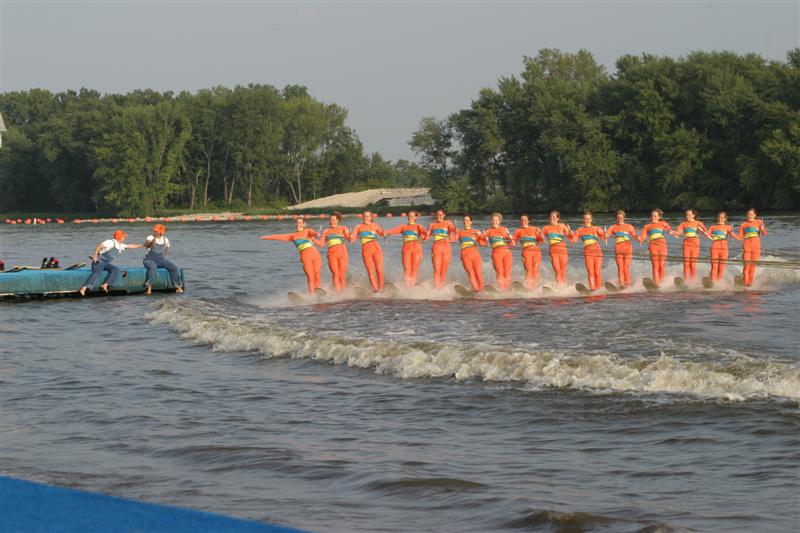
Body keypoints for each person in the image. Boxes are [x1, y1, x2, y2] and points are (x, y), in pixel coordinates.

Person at [260, 218, 322, 294]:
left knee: (317, 275)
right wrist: (266, 237)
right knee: (310, 276)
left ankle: (318, 291)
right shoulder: (293, 236)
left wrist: (316, 234)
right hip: (305, 257)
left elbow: (313, 233)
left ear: (303, 224)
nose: (298, 224)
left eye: (300, 223)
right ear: (295, 224)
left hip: (315, 255)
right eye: (297, 223)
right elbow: (278, 236)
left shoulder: (308, 230)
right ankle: (312, 294)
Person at [79, 229, 144, 296]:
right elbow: (99, 246)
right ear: (120, 237)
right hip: (98, 261)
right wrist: (95, 256)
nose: (124, 238)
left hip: (105, 263)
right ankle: (84, 288)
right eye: (123, 237)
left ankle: (105, 284)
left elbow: (130, 246)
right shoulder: (110, 242)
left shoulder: (120, 245)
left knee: (115, 269)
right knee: (97, 273)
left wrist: (142, 245)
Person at [385, 211, 428, 287]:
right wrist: (383, 232)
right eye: (409, 216)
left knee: (414, 269)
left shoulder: (418, 226)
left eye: (412, 216)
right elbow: (391, 231)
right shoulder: (403, 227)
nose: (410, 217)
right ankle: (407, 285)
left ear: (416, 217)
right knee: (407, 268)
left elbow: (427, 234)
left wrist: (424, 236)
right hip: (406, 249)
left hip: (417, 249)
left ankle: (413, 284)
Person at [349, 211, 386, 292]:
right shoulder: (358, 227)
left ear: (371, 217)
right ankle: (375, 289)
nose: (365, 218)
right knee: (370, 271)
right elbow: (353, 237)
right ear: (362, 217)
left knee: (379, 270)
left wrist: (384, 233)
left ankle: (381, 288)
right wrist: (351, 237)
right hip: (366, 250)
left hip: (376, 249)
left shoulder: (375, 225)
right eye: (364, 216)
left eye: (367, 216)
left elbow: (381, 234)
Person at [143, 224, 183, 295]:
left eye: (157, 231)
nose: (155, 232)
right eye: (155, 231)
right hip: (149, 259)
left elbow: (166, 249)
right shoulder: (150, 237)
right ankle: (149, 287)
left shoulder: (165, 239)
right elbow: (147, 245)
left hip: (160, 259)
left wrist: (163, 256)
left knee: (174, 268)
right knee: (153, 267)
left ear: (161, 232)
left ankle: (178, 287)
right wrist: (150, 243)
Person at [571, 212, 606, 291]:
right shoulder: (580, 230)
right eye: (585, 219)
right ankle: (592, 288)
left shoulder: (596, 228)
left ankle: (598, 288)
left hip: (597, 251)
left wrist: (604, 233)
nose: (586, 220)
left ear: (591, 220)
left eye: (588, 219)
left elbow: (604, 238)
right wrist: (571, 235)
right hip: (587, 252)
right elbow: (573, 240)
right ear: (583, 220)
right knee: (590, 271)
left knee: (597, 271)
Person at [315, 212, 350, 292]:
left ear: (338, 220)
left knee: (342, 275)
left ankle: (343, 292)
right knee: (335, 274)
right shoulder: (326, 231)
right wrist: (313, 239)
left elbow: (350, 239)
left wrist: (351, 235)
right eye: (330, 220)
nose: (331, 222)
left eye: (334, 220)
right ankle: (338, 292)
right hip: (331, 255)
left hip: (342, 253)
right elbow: (321, 244)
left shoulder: (343, 228)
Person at [672, 209, 709, 281]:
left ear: (693, 215)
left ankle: (692, 280)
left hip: (695, 243)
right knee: (686, 264)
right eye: (686, 215)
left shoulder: (698, 223)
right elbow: (678, 233)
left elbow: (705, 231)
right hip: (686, 243)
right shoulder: (683, 224)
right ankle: (687, 280)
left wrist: (706, 233)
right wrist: (672, 232)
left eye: (689, 215)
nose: (687, 216)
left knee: (693, 264)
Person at [638, 209, 672, 286]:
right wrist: (642, 240)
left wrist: (670, 231)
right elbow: (643, 236)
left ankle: (662, 283)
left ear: (659, 217)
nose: (653, 217)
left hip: (662, 245)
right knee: (655, 266)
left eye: (655, 216)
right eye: (652, 216)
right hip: (653, 246)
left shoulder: (663, 223)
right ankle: (656, 283)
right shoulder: (647, 226)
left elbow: (669, 229)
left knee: (661, 265)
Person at [605, 210, 637, 289]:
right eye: (618, 218)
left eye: (621, 218)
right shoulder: (613, 227)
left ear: (624, 218)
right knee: (620, 268)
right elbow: (606, 235)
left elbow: (635, 236)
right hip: (618, 249)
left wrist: (641, 239)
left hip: (628, 248)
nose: (620, 219)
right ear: (616, 218)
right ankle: (622, 284)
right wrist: (604, 235)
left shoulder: (629, 226)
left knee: (625, 268)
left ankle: (628, 284)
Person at [426, 210, 457, 289]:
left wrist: (454, 229)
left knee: (444, 270)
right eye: (437, 215)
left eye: (440, 215)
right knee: (437, 268)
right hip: (436, 247)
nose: (439, 216)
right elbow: (426, 237)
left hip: (446, 247)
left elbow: (452, 230)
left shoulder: (448, 223)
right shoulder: (432, 225)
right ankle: (437, 286)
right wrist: (427, 230)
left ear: (444, 215)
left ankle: (441, 286)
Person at [541, 211, 573, 287]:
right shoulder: (545, 228)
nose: (551, 218)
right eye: (550, 217)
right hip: (553, 250)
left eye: (553, 217)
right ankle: (559, 287)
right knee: (557, 271)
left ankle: (563, 287)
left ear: (558, 218)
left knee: (563, 271)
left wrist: (571, 233)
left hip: (563, 249)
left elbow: (570, 238)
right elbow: (540, 238)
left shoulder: (562, 226)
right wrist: (539, 236)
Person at [705, 211, 740, 282]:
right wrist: (710, 234)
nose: (720, 219)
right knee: (714, 267)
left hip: (724, 249)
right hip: (715, 248)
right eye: (719, 217)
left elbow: (734, 236)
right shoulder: (713, 227)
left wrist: (743, 238)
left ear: (725, 218)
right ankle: (713, 281)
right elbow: (706, 234)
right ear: (717, 218)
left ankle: (719, 282)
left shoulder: (728, 227)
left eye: (722, 217)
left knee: (721, 268)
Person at [483, 213, 514, 291]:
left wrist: (511, 240)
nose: (494, 222)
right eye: (493, 220)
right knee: (500, 271)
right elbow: (481, 241)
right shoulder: (488, 231)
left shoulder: (504, 229)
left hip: (506, 252)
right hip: (496, 253)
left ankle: (507, 288)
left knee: (507, 272)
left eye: (496, 220)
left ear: (499, 221)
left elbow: (512, 243)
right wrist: (482, 238)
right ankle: (501, 288)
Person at [512, 214, 544, 289]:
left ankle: (535, 287)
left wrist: (541, 235)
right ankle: (529, 286)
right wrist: (509, 239)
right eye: (522, 220)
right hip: (526, 252)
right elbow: (513, 243)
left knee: (535, 271)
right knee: (529, 271)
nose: (523, 221)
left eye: (525, 220)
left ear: (528, 221)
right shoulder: (518, 231)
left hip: (536, 252)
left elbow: (541, 241)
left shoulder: (535, 229)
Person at [737, 208, 767, 287]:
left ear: (755, 215)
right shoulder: (743, 225)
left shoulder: (759, 222)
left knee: (753, 267)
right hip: (746, 247)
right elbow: (740, 236)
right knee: (747, 266)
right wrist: (732, 234)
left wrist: (762, 228)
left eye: (751, 214)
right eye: (748, 214)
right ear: (746, 215)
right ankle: (746, 282)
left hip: (756, 247)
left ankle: (750, 284)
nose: (749, 216)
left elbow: (764, 233)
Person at [456, 215, 486, 292]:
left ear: (471, 222)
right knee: (470, 273)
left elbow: (482, 244)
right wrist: (454, 231)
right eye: (464, 220)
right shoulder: (460, 232)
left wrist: (483, 236)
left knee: (478, 273)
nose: (465, 222)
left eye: (467, 220)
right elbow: (452, 239)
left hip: (475, 255)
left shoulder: (475, 232)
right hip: (465, 255)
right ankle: (476, 290)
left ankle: (481, 290)